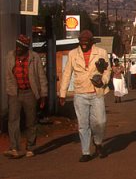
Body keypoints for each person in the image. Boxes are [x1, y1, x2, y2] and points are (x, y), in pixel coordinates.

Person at [59, 30, 111, 162]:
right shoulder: (73, 54)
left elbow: (107, 70)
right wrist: (62, 93)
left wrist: (103, 81)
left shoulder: (101, 53)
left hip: (97, 92)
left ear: (91, 42)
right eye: (81, 42)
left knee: (100, 121)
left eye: (86, 43)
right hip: (80, 93)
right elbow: (66, 73)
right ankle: (86, 151)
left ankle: (98, 142)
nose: (83, 45)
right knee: (83, 124)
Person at [3, 34, 48, 159]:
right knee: (13, 120)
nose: (18, 49)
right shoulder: (10, 56)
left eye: (21, 47)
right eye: (17, 46)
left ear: (26, 48)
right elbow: (8, 75)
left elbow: (41, 76)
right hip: (15, 93)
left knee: (31, 121)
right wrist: (9, 91)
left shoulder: (34, 58)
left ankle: (30, 147)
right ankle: (14, 147)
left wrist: (43, 95)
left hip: (30, 92)